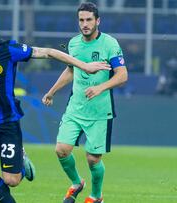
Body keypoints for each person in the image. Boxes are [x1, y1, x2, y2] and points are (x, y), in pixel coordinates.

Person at [0, 10, 110, 203]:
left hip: (7, 123)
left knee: (11, 180)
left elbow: (48, 52)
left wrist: (84, 66)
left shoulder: (8, 49)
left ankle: (20, 161)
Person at [42, 3, 128, 203]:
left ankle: (96, 197)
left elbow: (122, 75)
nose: (85, 24)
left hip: (99, 112)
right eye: (81, 20)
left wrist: (100, 87)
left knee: (93, 159)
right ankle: (76, 183)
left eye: (89, 20)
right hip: (75, 108)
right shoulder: (73, 44)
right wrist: (52, 91)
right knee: (61, 150)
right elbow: (71, 70)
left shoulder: (110, 44)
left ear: (98, 21)